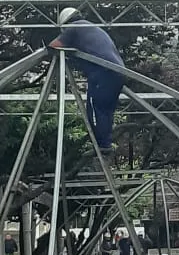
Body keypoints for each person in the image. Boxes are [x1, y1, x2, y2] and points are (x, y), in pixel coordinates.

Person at [49, 8, 124, 156]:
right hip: (118, 72)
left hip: (103, 72)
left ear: (65, 24)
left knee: (94, 109)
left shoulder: (74, 28)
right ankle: (106, 143)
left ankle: (102, 146)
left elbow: (54, 45)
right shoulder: (91, 28)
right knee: (106, 110)